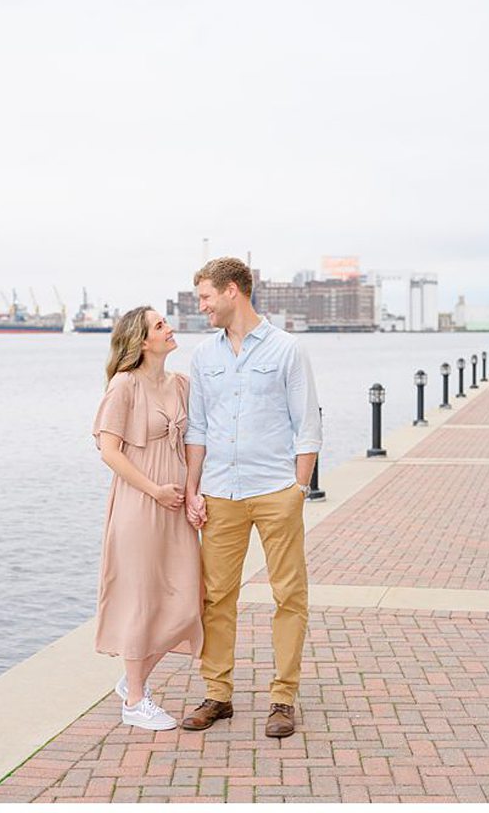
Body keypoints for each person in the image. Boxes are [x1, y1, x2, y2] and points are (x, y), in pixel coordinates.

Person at [180, 256, 317, 742]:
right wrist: (193, 489)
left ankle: (284, 696)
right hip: (220, 493)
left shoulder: (287, 350)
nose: (202, 307)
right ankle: (218, 693)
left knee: (288, 595)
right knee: (216, 597)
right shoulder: (203, 356)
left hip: (275, 490)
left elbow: (308, 426)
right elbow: (197, 428)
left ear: (232, 290)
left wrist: (298, 490)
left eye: (205, 297)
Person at [92, 305, 201, 731]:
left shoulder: (181, 384)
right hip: (140, 504)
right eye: (160, 325)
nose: (169, 328)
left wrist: (191, 493)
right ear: (141, 341)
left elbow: (197, 441)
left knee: (188, 601)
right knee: (142, 599)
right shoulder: (124, 386)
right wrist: (154, 490)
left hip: (176, 507)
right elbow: (109, 450)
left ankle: (130, 679)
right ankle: (135, 700)